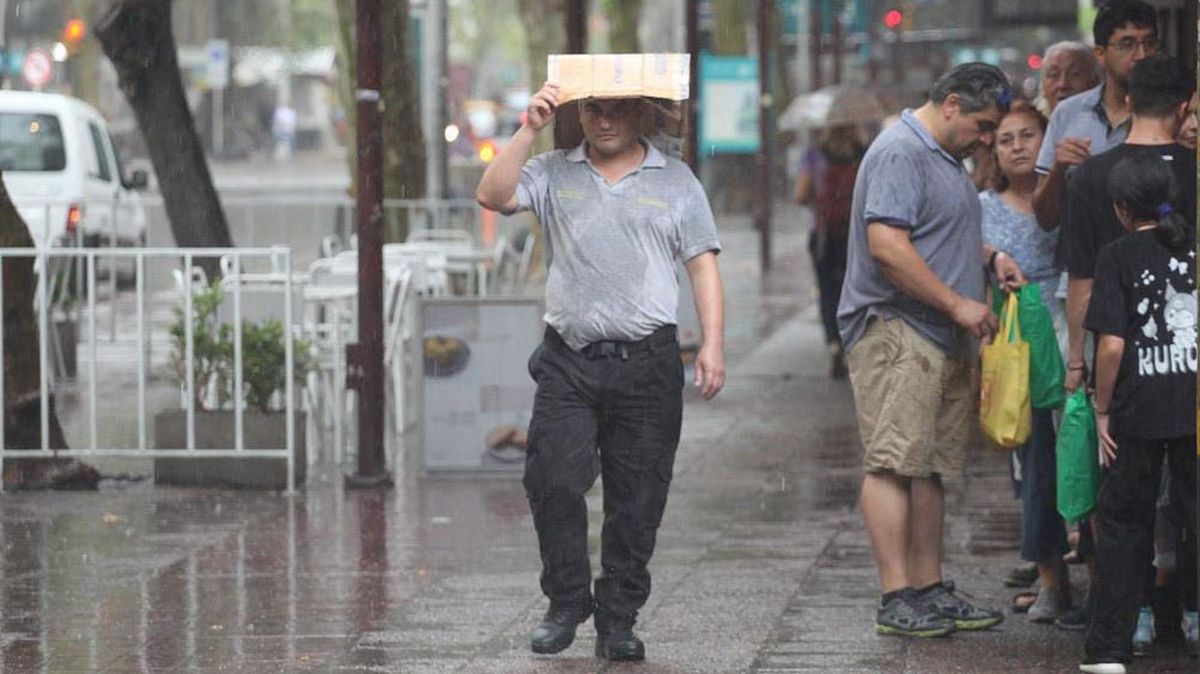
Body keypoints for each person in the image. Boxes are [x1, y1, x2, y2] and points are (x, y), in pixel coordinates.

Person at [475, 84, 726, 662]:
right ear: (579, 114)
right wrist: (529, 127)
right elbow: (491, 195)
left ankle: (618, 618)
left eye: (617, 109)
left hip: (648, 364)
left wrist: (712, 344)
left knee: (638, 498)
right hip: (569, 359)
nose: (605, 120)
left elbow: (703, 266)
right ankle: (566, 601)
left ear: (641, 112)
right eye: (593, 109)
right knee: (552, 478)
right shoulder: (552, 171)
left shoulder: (676, 181)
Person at [838, 62, 1024, 638]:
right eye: (984, 125)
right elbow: (888, 246)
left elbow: (939, 230)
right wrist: (957, 304)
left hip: (939, 334)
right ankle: (897, 596)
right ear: (951, 106)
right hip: (899, 327)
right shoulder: (901, 151)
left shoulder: (944, 156)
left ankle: (929, 588)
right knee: (893, 463)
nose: (987, 139)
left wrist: (989, 258)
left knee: (930, 467)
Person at [1079, 150, 1198, 674]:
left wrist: (1101, 409)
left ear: (1122, 208)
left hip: (1136, 408)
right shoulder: (1194, 247)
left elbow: (1110, 346)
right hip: (1194, 408)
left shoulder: (1117, 255)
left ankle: (1110, 650)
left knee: (1125, 524)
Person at [979, 101, 1071, 623]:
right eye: (1006, 139)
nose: (1017, 146)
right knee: (1035, 462)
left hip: (1071, 331)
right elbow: (966, 248)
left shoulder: (1065, 196)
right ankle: (1050, 579)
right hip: (1019, 347)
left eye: (1027, 135)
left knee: (1078, 454)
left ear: (1046, 138)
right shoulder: (983, 207)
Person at [794, 124, 866, 378]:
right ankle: (852, 343)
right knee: (854, 290)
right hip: (855, 236)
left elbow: (799, 195)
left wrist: (819, 199)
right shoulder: (863, 153)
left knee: (827, 292)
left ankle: (834, 343)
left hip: (823, 235)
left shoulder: (815, 154)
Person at [1037, 41, 1104, 116]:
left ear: (1095, 81)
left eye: (1074, 74)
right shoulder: (1035, 121)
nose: (1062, 84)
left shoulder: (1107, 121)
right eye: (1054, 74)